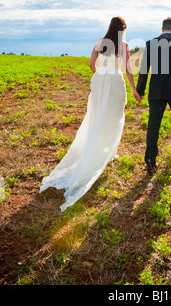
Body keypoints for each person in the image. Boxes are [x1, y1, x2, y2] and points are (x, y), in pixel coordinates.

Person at [40, 17, 140, 211]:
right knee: (112, 117)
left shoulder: (99, 42)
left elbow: (91, 63)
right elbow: (127, 70)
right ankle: (107, 151)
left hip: (99, 81)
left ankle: (100, 149)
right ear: (122, 29)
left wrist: (99, 75)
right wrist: (134, 89)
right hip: (114, 82)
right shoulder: (124, 45)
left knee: (96, 116)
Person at [136, 17, 171, 175]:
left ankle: (151, 161)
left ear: (162, 29)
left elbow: (144, 69)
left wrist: (140, 91)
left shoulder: (150, 43)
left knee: (153, 125)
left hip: (157, 91)